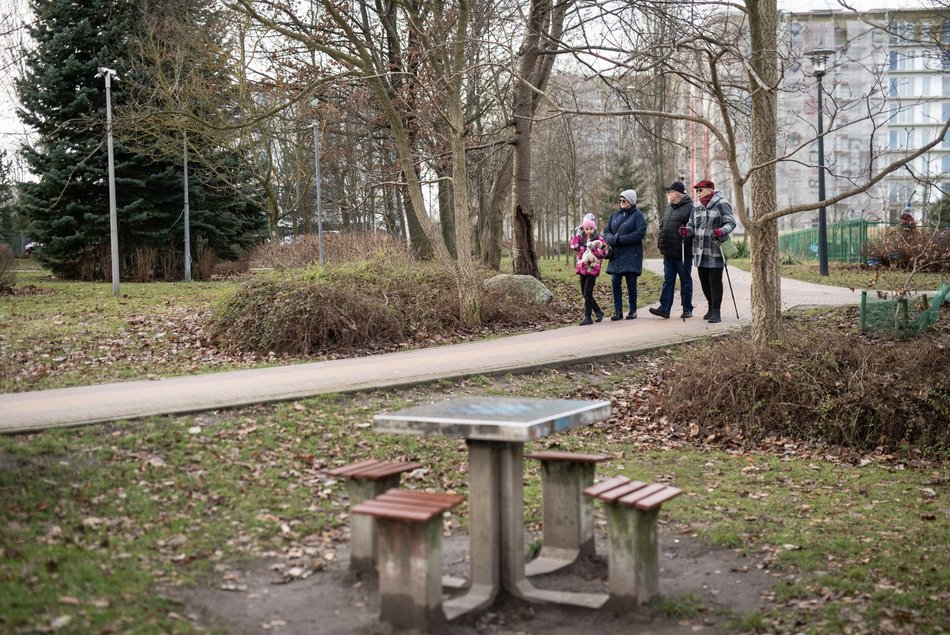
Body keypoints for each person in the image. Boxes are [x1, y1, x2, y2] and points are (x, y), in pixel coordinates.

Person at [680, 179, 736, 324]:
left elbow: (731, 222)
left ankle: (717, 311)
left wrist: (721, 231)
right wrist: (686, 231)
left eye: (700, 190)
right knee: (704, 282)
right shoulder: (696, 207)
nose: (698, 193)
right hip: (699, 251)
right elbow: (692, 225)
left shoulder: (721, 203)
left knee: (715, 281)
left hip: (715, 250)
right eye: (696, 191)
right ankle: (710, 307)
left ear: (710, 190)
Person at [649, 181, 694, 319]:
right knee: (668, 280)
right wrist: (661, 239)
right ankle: (664, 308)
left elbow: (693, 229)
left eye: (670, 192)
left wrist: (685, 233)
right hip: (668, 252)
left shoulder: (690, 208)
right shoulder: (669, 208)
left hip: (682, 253)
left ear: (676, 193)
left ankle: (687, 309)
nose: (668, 194)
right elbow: (662, 226)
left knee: (685, 280)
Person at [603, 189, 647, 320]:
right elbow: (606, 231)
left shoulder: (638, 216)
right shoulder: (615, 215)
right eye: (620, 200)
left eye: (624, 200)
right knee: (615, 281)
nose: (621, 202)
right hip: (616, 255)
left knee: (631, 283)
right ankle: (618, 310)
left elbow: (640, 233)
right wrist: (610, 239)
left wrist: (620, 240)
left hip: (631, 255)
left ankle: (633, 309)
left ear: (631, 201)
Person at [569, 218, 607, 325]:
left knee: (587, 292)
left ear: (594, 228)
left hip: (592, 269)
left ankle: (588, 317)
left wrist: (593, 247)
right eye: (586, 229)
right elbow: (573, 246)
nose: (589, 231)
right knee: (584, 293)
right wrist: (578, 234)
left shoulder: (599, 239)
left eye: (591, 228)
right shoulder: (581, 239)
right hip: (582, 269)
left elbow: (604, 252)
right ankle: (598, 312)